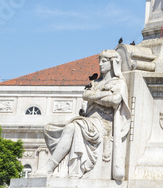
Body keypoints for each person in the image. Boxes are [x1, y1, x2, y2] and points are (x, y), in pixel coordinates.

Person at [44, 49, 131, 180]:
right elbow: (86, 96)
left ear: (112, 63)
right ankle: (61, 167)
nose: (100, 64)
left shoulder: (118, 82)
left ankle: (49, 167)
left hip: (104, 123)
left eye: (104, 61)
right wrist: (102, 95)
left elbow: (114, 100)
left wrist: (92, 96)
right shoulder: (95, 83)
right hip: (89, 121)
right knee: (49, 128)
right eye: (99, 61)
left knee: (73, 127)